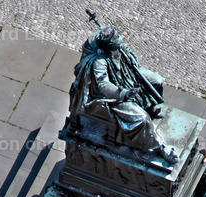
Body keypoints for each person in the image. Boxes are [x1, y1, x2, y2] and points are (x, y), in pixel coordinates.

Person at [67, 25, 175, 161]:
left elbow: (129, 55)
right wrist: (124, 94)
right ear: (110, 45)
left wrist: (131, 60)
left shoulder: (118, 46)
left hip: (127, 77)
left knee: (157, 80)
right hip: (110, 97)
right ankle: (160, 147)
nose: (121, 40)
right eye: (118, 39)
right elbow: (103, 85)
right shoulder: (99, 62)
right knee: (141, 118)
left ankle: (148, 106)